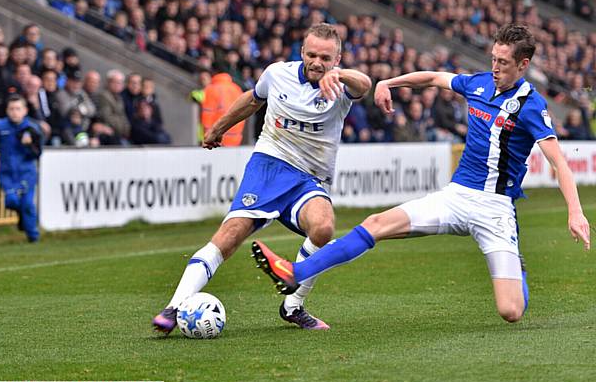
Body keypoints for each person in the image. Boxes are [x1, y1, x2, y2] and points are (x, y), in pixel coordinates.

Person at [253, 25, 591, 324]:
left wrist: (575, 212)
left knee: (510, 311)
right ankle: (295, 273)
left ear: (523, 65)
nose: (495, 68)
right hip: (456, 197)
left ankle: (516, 269)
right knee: (375, 223)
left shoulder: (531, 105)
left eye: (503, 63)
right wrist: (389, 82)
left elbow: (559, 161)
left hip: (496, 209)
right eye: (493, 59)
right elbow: (432, 77)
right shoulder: (477, 83)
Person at [152, 23, 371, 333]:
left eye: (325, 58)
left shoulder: (341, 86)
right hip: (269, 166)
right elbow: (253, 99)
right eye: (311, 55)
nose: (317, 63)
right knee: (230, 236)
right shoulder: (277, 74)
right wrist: (218, 128)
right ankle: (174, 307)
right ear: (302, 52)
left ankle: (293, 306)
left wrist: (343, 75)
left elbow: (365, 84)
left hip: (309, 179)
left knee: (323, 228)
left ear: (337, 58)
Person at [0, 94, 43, 242]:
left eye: (18, 109)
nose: (14, 112)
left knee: (28, 204)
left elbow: (38, 153)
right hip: (7, 173)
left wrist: (29, 145)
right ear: (6, 110)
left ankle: (33, 236)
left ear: (24, 110)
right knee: (11, 201)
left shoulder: (31, 128)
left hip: (26, 173)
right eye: (11, 109)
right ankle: (22, 217)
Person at [200, 61, 245, 146]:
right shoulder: (237, 89)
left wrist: (207, 137)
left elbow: (207, 115)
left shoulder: (211, 89)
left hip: (217, 140)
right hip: (236, 139)